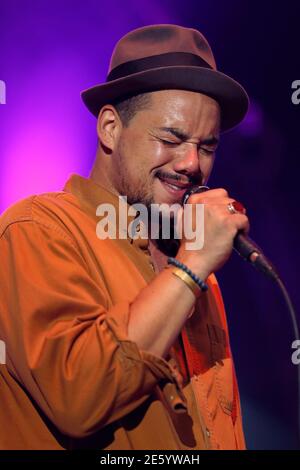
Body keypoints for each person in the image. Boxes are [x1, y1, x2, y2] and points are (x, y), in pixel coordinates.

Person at [0, 24, 250, 450]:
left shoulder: (196, 270)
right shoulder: (36, 229)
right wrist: (188, 270)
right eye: (171, 138)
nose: (192, 164)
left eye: (207, 147)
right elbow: (79, 396)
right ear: (110, 128)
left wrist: (190, 269)